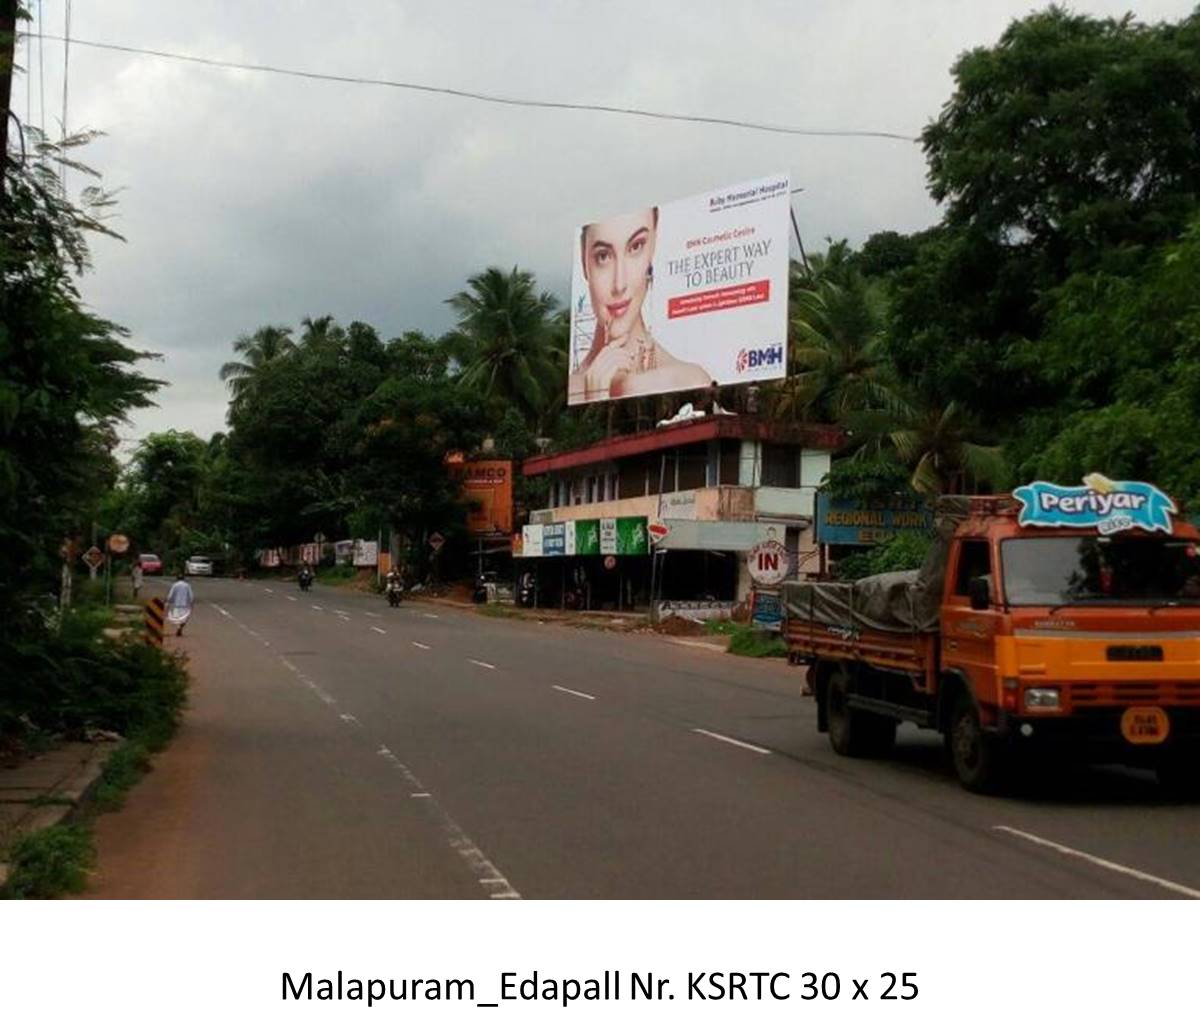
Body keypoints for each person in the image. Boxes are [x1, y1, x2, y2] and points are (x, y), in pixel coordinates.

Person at [569, 207, 710, 403]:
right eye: (603, 256)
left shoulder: (689, 379)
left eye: (635, 247)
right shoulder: (570, 390)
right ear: (585, 263)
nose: (619, 285)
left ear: (652, 248)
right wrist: (595, 398)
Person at [165, 572, 194, 637]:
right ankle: (180, 628)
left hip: (176, 605)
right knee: (184, 618)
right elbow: (191, 596)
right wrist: (191, 603)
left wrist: (168, 601)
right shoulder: (187, 585)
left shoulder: (175, 585)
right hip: (185, 605)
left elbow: (170, 595)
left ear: (177, 578)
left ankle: (178, 627)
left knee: (177, 618)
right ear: (183, 578)